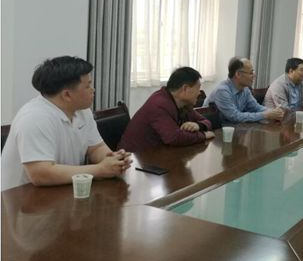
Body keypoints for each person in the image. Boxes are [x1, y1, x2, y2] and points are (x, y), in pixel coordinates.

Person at [1, 56, 132, 191]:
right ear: (67, 95)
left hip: (62, 189)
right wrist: (100, 170)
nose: (93, 90)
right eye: (88, 86)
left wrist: (114, 160)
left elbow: (95, 148)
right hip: (20, 197)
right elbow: (41, 174)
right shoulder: (34, 118)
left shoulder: (82, 111)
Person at [118, 67, 214, 152]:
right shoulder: (158, 104)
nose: (199, 93)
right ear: (185, 89)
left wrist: (198, 125)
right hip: (132, 159)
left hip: (159, 154)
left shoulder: (183, 104)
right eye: (198, 88)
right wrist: (203, 135)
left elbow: (207, 122)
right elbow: (174, 137)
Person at [203, 57, 284, 123]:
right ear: (238, 74)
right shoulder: (222, 91)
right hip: (215, 131)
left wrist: (274, 112)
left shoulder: (245, 89)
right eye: (251, 73)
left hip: (234, 128)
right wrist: (265, 115)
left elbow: (256, 107)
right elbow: (235, 116)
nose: (254, 76)